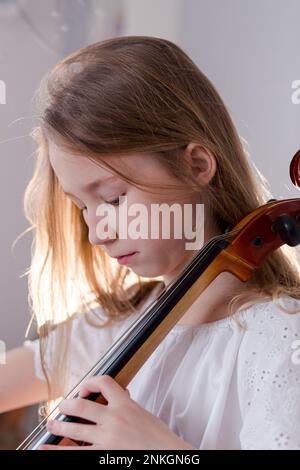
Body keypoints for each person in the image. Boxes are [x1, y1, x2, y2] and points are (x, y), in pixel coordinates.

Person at [1, 36, 300, 450]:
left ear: (196, 165)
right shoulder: (122, 321)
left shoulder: (279, 339)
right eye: (81, 206)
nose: (97, 233)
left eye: (112, 199)